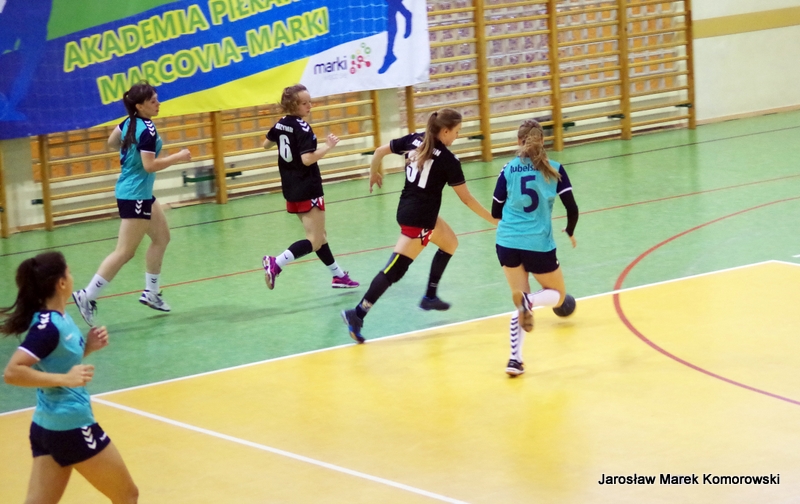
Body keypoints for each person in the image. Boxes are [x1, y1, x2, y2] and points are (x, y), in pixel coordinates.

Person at [341, 108, 497, 343]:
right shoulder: (448, 160)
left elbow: (380, 151)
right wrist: (494, 220)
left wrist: (374, 173)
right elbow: (466, 199)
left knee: (450, 243)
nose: (457, 136)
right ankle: (357, 314)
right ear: (445, 131)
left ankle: (430, 296)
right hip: (420, 220)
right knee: (395, 270)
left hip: (409, 210)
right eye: (457, 131)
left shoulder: (415, 139)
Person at [1, 251, 139, 503]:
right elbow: (12, 372)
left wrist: (89, 347)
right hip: (72, 426)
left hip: (47, 428)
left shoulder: (60, 318)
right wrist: (66, 379)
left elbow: (55, 362)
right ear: (61, 283)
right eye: (70, 272)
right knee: (127, 495)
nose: (73, 277)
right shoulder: (47, 328)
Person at [72, 82, 191, 326]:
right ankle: (87, 295)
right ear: (140, 106)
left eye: (157, 99)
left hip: (141, 193)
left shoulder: (129, 122)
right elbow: (150, 165)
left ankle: (151, 293)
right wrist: (178, 157)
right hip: (134, 195)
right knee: (125, 251)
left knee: (162, 238)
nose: (158, 103)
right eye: (153, 101)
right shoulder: (147, 131)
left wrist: (132, 154)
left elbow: (112, 142)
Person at [492, 119, 579, 377]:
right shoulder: (555, 169)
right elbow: (572, 208)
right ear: (542, 140)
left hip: (507, 242)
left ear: (519, 141)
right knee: (558, 295)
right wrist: (570, 231)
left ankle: (515, 360)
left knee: (521, 297)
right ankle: (528, 301)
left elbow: (496, 210)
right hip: (538, 244)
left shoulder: (508, 169)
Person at [261, 84, 359, 290]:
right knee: (315, 240)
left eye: (310, 102)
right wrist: (327, 147)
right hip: (308, 186)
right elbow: (307, 159)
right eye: (304, 103)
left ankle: (338, 276)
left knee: (320, 236)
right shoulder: (303, 128)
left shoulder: (281, 123)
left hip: (290, 186)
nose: (309, 106)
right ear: (293, 105)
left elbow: (266, 144)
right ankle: (276, 263)